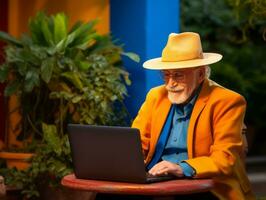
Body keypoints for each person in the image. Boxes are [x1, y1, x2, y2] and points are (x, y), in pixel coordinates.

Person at [131, 32, 255, 200]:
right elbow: (137, 142)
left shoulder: (228, 101)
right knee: (106, 196)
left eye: (178, 75)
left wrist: (182, 168)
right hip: (156, 180)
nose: (170, 83)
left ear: (201, 74)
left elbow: (225, 158)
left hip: (206, 185)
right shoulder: (155, 96)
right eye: (166, 75)